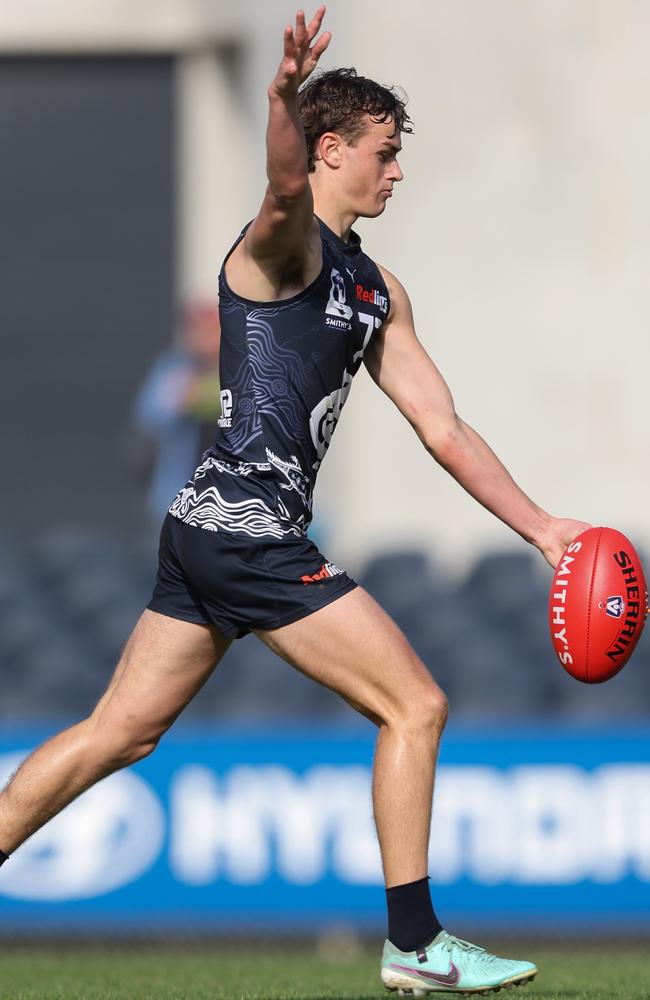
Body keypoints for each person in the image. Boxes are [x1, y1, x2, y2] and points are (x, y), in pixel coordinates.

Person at [0, 8, 590, 994]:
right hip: (250, 537)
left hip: (206, 535)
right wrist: (278, 95)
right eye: (383, 153)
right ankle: (415, 945)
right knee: (416, 703)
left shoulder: (374, 290)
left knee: (118, 734)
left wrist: (543, 529)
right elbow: (280, 186)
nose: (395, 171)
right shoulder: (281, 249)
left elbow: (441, 427)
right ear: (329, 149)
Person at [132, 301, 221, 522]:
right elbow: (148, 417)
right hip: (178, 491)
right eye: (197, 329)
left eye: (211, 330)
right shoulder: (173, 368)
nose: (203, 337)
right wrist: (180, 397)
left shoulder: (244, 370)